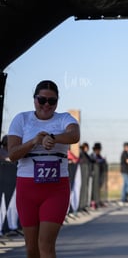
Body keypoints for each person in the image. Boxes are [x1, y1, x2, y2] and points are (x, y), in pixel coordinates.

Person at [7, 80, 80, 258]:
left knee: (45, 245)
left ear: (57, 102)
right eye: (42, 100)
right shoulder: (21, 119)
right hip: (27, 188)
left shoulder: (64, 119)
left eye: (51, 101)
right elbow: (13, 154)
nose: (46, 105)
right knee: (32, 249)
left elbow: (74, 135)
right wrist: (34, 142)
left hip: (55, 189)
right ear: (34, 100)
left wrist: (52, 137)